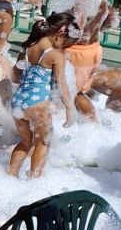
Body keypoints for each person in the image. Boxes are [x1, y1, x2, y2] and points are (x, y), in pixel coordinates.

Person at [49, 0, 118, 120]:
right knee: (75, 92)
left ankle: (92, 127)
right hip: (94, 49)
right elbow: (112, 20)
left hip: (78, 53)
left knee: (72, 93)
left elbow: (76, 30)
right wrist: (95, 29)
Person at [8, 12, 77, 179]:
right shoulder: (55, 55)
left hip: (18, 101)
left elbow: (15, 76)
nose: (65, 46)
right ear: (60, 34)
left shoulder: (26, 49)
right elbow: (62, 84)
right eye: (66, 42)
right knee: (42, 142)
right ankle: (35, 181)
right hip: (37, 103)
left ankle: (10, 177)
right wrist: (70, 108)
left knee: (25, 142)